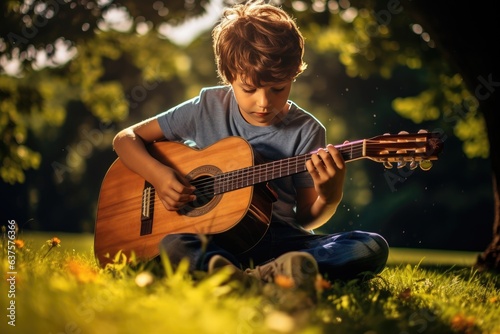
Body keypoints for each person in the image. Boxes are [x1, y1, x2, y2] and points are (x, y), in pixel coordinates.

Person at [112, 0, 389, 291]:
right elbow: (125, 139)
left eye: (278, 88)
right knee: (174, 243)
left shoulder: (307, 131)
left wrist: (330, 195)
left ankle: (240, 276)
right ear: (229, 76)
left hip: (279, 241)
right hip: (207, 235)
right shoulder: (206, 106)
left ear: (294, 75)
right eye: (249, 88)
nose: (264, 102)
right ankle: (261, 275)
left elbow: (306, 219)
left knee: (368, 246)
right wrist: (158, 175)